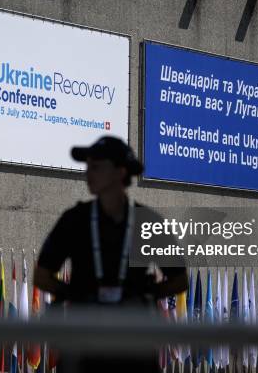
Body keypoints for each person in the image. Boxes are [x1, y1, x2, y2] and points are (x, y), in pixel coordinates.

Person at [34, 136, 188, 371]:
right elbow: (41, 277)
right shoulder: (75, 220)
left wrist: (149, 293)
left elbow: (180, 279)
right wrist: (74, 293)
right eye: (87, 167)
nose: (88, 174)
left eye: (96, 167)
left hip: (133, 345)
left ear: (120, 172)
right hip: (84, 345)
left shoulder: (146, 221)